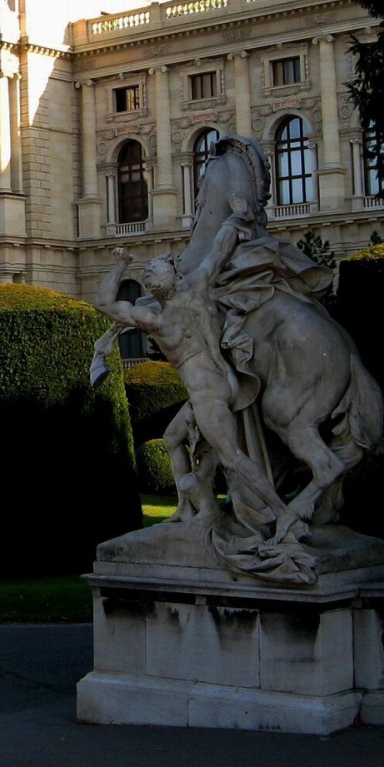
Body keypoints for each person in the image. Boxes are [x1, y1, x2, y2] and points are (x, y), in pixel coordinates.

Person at [96, 201, 291, 533]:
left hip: (208, 391)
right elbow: (105, 305)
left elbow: (217, 250)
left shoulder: (170, 308)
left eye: (154, 268)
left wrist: (121, 265)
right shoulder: (160, 312)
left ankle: (282, 513)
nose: (147, 274)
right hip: (221, 381)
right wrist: (232, 218)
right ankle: (189, 507)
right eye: (144, 273)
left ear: (175, 273)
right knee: (172, 438)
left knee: (233, 457)